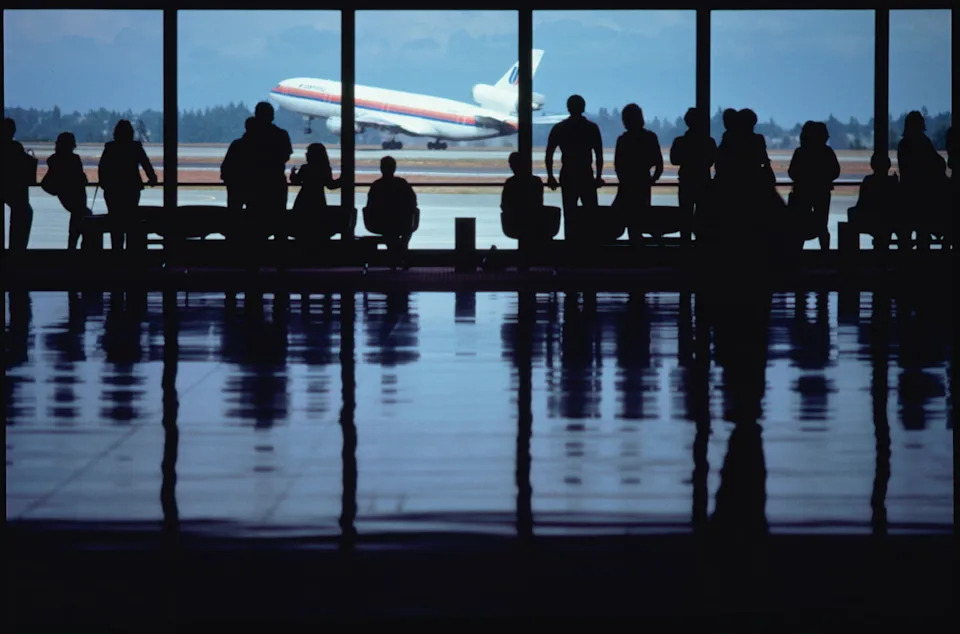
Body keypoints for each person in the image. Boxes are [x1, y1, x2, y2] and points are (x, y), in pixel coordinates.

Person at [545, 94, 604, 242]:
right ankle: (590, 246)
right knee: (590, 214)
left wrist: (550, 176)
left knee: (569, 214)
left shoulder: (560, 128)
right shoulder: (591, 128)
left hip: (568, 174)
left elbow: (549, 154)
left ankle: (570, 246)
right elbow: (599, 155)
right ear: (583, 108)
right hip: (586, 174)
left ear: (568, 108)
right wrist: (598, 177)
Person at [98, 119, 157, 251]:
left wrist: (104, 184)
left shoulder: (110, 147)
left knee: (115, 221)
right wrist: (152, 178)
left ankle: (116, 252)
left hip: (113, 190)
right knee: (131, 221)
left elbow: (102, 167)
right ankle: (131, 253)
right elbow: (146, 164)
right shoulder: (135, 147)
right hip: (131, 189)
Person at [897, 110, 948, 250]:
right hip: (924, 195)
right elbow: (938, 163)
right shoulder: (924, 143)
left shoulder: (903, 145)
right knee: (923, 231)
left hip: (908, 194)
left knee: (907, 232)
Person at [614, 103, 663, 245]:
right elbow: (659, 164)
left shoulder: (623, 140)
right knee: (641, 217)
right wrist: (652, 180)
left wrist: (624, 179)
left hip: (627, 184)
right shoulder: (650, 137)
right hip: (643, 182)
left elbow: (618, 165)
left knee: (627, 219)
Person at [788, 121, 840, 250]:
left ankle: (797, 255)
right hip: (822, 192)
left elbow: (792, 172)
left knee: (799, 226)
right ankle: (825, 255)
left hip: (802, 192)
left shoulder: (800, 152)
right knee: (822, 225)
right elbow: (835, 171)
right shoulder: (827, 152)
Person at [247, 101, 293, 242]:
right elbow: (286, 156)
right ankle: (280, 261)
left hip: (255, 184)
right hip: (276, 183)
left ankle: (254, 261)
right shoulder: (281, 134)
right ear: (272, 116)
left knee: (255, 225)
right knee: (279, 222)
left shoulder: (248, 138)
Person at [366, 156, 418, 268]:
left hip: (381, 223)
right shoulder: (402, 183)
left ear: (381, 168)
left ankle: (395, 256)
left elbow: (370, 206)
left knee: (389, 230)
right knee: (403, 230)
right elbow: (413, 202)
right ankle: (400, 253)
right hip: (402, 222)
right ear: (394, 168)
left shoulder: (376, 185)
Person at [501, 151, 549, 268]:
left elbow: (504, 204)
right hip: (534, 220)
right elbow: (538, 202)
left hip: (514, 220)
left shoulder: (510, 183)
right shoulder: (536, 182)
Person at [43, 132, 91, 250]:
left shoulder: (54, 160)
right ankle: (83, 251)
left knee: (78, 218)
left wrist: (57, 190)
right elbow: (82, 179)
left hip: (66, 197)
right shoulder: (74, 159)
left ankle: (72, 251)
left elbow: (46, 184)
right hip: (77, 197)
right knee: (85, 218)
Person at [847, 153, 901, 252]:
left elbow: (861, 203)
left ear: (872, 166)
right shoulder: (892, 181)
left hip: (870, 217)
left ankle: (852, 254)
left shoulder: (868, 180)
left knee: (851, 213)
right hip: (888, 218)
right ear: (888, 166)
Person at [289, 142, 342, 241]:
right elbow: (331, 185)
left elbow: (295, 180)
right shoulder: (325, 168)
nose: (306, 154)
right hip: (318, 199)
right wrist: (342, 180)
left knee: (302, 226)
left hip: (303, 199)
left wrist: (292, 173)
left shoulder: (305, 168)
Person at [670, 107, 717, 217]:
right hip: (703, 182)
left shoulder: (680, 142)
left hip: (686, 182)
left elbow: (674, 160)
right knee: (703, 217)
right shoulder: (709, 142)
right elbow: (712, 160)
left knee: (685, 216)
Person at [3, 118, 36, 251]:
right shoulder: (15, 147)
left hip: (8, 188)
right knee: (24, 213)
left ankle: (14, 250)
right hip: (14, 190)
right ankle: (18, 250)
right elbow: (25, 163)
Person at [221, 117, 257, 213]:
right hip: (254, 187)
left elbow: (226, 166)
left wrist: (229, 181)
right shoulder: (260, 147)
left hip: (236, 186)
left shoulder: (237, 144)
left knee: (234, 215)